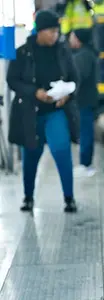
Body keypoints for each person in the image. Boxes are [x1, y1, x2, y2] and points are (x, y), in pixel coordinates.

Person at [7, 10, 80, 213]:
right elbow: (12, 80)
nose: (55, 35)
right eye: (51, 31)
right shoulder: (23, 51)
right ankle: (28, 197)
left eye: (57, 31)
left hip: (55, 110)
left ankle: (69, 197)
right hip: (31, 111)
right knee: (31, 154)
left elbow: (75, 78)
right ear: (39, 31)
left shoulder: (62, 50)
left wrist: (67, 94)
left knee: (61, 150)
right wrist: (34, 92)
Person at [69, 28, 99, 177]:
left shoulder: (83, 56)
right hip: (87, 99)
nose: (70, 39)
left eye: (72, 36)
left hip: (83, 101)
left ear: (78, 39)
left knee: (85, 132)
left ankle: (85, 164)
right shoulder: (87, 54)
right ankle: (86, 164)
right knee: (86, 131)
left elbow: (78, 78)